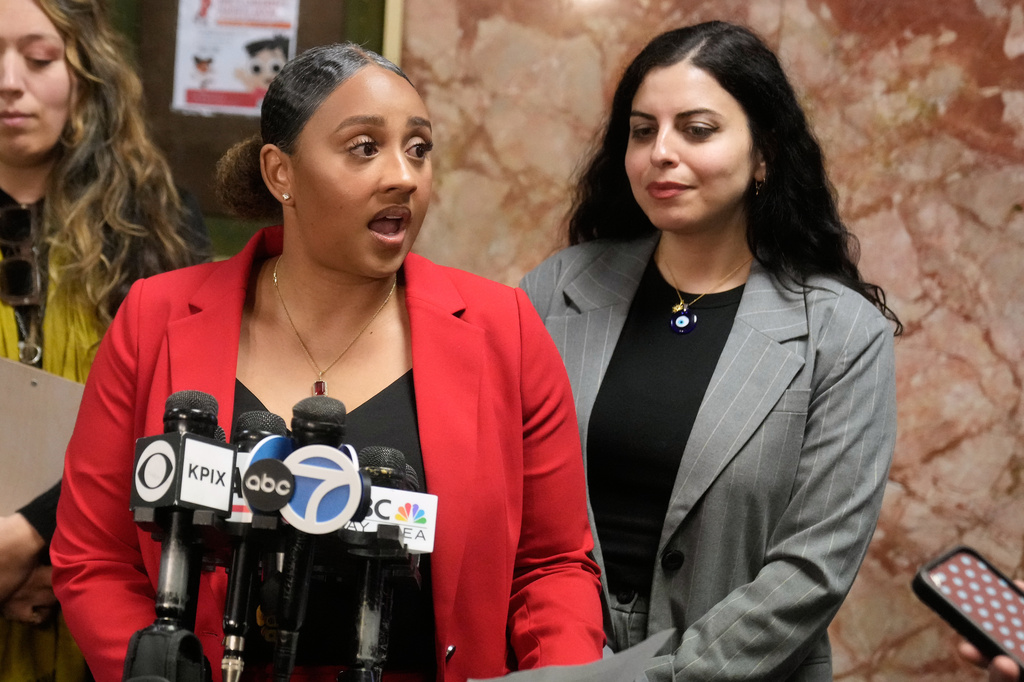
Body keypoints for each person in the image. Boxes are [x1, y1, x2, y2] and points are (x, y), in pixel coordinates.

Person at [51, 42, 604, 682]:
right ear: (280, 172)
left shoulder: (502, 330)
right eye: (364, 147)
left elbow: (554, 565)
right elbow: (95, 555)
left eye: (418, 148)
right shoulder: (155, 319)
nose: (404, 175)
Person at [521, 21, 901, 681]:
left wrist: (654, 678)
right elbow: (503, 498)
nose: (660, 153)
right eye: (643, 131)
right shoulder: (559, 289)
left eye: (696, 130)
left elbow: (812, 569)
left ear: (764, 154)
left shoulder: (841, 334)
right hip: (549, 661)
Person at [0, 0, 208, 678]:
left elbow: (175, 410)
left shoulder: (156, 226)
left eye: (38, 58)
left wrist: (34, 536)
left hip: (108, 571)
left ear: (87, 74)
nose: (10, 81)